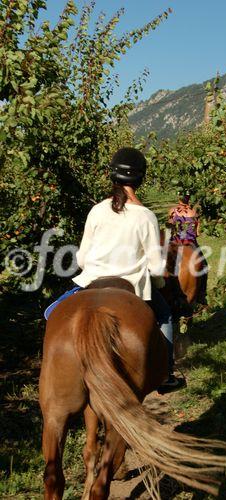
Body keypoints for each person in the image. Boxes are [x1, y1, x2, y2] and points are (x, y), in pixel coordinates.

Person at [44, 147, 185, 393]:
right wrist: (160, 286)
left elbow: (82, 257)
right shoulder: (146, 216)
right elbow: (154, 266)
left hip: (91, 281)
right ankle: (165, 374)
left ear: (112, 175)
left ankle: (54, 370)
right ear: (141, 178)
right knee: (165, 316)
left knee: (51, 314)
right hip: (132, 288)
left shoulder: (97, 210)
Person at [168, 189, 208, 305]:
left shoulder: (172, 211)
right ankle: (201, 294)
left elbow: (170, 228)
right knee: (204, 265)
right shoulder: (194, 212)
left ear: (178, 197)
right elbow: (197, 233)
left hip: (175, 241)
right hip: (190, 242)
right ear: (189, 198)